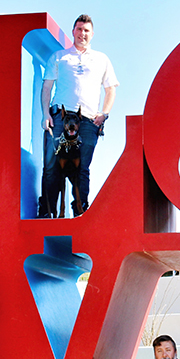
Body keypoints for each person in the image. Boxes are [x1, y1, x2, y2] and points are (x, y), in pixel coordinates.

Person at [38, 14, 119, 217]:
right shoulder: (59, 57)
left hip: (88, 121)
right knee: (51, 166)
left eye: (86, 30)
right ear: (73, 31)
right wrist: (45, 113)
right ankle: (47, 212)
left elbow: (111, 89)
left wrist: (105, 114)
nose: (82, 33)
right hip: (60, 117)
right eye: (79, 29)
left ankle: (81, 212)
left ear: (92, 34)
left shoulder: (101, 59)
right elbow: (47, 87)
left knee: (82, 169)